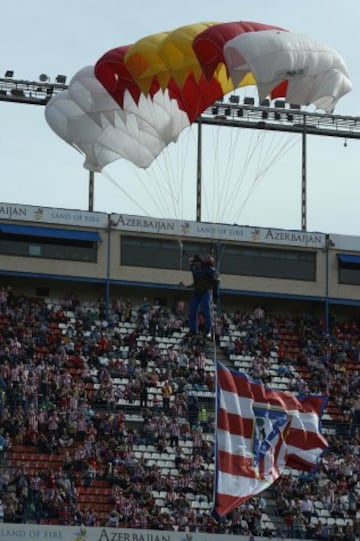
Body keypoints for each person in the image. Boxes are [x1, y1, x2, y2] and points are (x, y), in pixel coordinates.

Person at [187, 254, 220, 338]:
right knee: (192, 311)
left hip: (205, 291)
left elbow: (216, 281)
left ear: (200, 262)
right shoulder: (194, 269)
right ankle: (193, 330)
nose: (195, 265)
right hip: (197, 291)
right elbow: (195, 281)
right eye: (194, 264)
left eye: (196, 263)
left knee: (206, 309)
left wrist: (216, 293)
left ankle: (207, 329)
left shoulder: (208, 269)